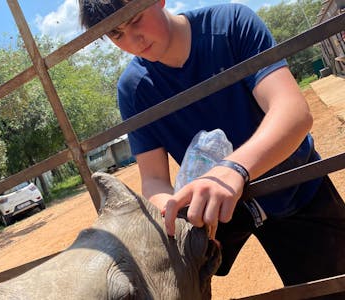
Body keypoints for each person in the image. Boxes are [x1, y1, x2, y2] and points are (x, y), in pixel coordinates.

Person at [79, 0, 345, 293]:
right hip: (212, 211)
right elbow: (154, 179)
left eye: (136, 20)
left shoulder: (230, 23)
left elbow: (293, 111)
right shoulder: (133, 89)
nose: (133, 40)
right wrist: (174, 213)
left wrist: (232, 169)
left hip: (293, 187)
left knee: (332, 287)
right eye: (117, 35)